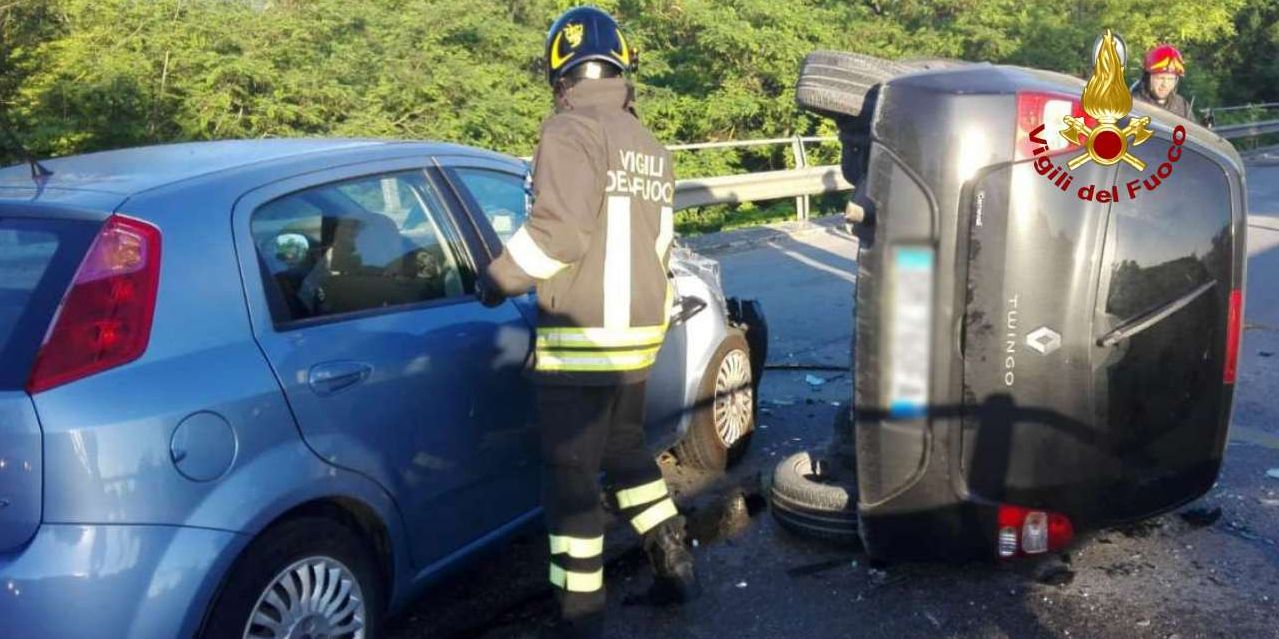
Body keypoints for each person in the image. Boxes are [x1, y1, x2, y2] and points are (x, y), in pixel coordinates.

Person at [477, 6, 698, 637]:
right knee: (627, 452)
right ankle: (675, 564)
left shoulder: (568, 131)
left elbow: (559, 235)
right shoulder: (650, 146)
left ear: (560, 73)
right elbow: (658, 246)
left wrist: (494, 281)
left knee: (570, 479)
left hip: (580, 343)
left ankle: (580, 617)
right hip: (636, 339)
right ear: (624, 67)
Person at [1134, 43, 1195, 121]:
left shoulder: (1182, 107)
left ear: (1176, 81)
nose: (1165, 84)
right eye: (1160, 78)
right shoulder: (1134, 107)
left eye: (1170, 79)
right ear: (1147, 78)